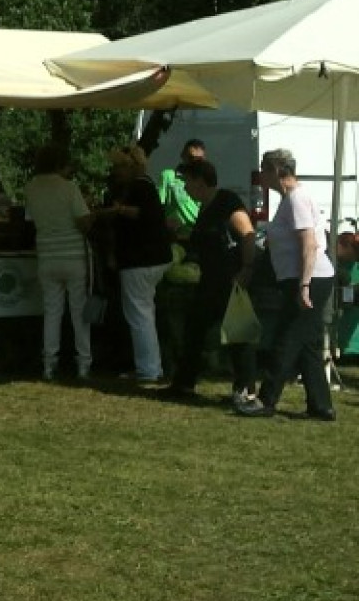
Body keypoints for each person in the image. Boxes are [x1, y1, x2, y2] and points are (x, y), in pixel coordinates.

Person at [234, 149, 338, 420]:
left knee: (287, 338)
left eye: (264, 170)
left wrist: (304, 286)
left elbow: (310, 243)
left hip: (310, 278)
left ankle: (267, 400)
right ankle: (321, 406)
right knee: (309, 344)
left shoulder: (296, 199)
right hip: (307, 278)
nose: (261, 175)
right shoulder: (291, 199)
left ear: (277, 171)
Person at [168, 158, 256, 399]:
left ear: (199, 180)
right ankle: (183, 384)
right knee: (194, 330)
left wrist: (247, 268)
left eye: (187, 181)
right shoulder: (204, 209)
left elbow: (248, 234)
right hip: (210, 280)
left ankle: (246, 389)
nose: (184, 187)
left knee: (238, 334)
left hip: (230, 279)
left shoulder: (226, 201)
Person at [95, 145, 173, 384]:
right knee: (144, 313)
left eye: (120, 166)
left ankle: (148, 369)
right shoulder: (146, 185)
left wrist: (116, 210)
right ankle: (151, 366)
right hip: (153, 258)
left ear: (132, 166)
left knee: (139, 315)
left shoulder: (140, 187)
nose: (117, 171)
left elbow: (143, 215)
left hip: (140, 259)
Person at [23, 145, 94, 381]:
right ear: (59, 164)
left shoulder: (30, 188)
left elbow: (30, 219)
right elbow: (84, 222)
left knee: (52, 312)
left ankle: (49, 365)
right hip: (73, 256)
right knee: (79, 313)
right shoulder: (69, 187)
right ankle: (83, 363)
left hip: (47, 256)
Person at [158, 138, 205, 237]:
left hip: (199, 235)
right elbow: (156, 208)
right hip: (176, 237)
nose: (194, 162)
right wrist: (165, 221)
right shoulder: (168, 176)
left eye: (199, 159)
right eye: (191, 158)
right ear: (183, 156)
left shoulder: (204, 181)